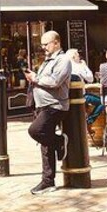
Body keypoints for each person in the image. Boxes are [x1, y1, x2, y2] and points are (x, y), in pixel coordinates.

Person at [25, 31, 72, 195]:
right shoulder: (48, 60)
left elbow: (55, 81)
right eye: (42, 44)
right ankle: (48, 181)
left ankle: (59, 141)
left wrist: (35, 78)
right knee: (45, 144)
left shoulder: (63, 60)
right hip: (42, 106)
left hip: (55, 106)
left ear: (56, 43)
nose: (43, 47)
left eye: (46, 44)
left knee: (35, 130)